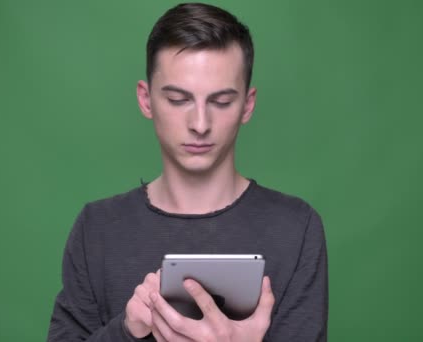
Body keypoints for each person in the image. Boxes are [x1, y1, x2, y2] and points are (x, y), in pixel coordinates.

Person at [47, 3, 328, 341]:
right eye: (179, 99)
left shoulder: (296, 227)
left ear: (247, 105)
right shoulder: (97, 229)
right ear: (146, 99)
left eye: (221, 102)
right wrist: (126, 330)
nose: (199, 124)